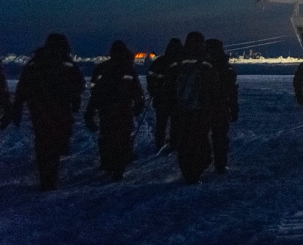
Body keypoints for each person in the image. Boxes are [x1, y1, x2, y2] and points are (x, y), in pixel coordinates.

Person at [1, 34, 85, 191]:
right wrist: (74, 99)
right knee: (56, 138)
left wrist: (17, 109)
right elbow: (79, 84)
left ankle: (46, 176)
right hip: (59, 109)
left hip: (40, 110)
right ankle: (50, 175)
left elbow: (22, 88)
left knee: (43, 141)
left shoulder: (35, 63)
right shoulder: (66, 63)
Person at [84, 40, 145, 181]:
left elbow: (94, 90)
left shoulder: (102, 68)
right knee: (124, 136)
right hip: (124, 109)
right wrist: (138, 106)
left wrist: (91, 111)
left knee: (106, 134)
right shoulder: (128, 69)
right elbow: (137, 90)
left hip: (105, 109)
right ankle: (119, 165)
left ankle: (107, 162)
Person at [170, 31, 218, 184]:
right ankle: (197, 168)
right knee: (200, 138)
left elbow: (168, 85)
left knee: (184, 140)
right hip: (201, 109)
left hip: (182, 109)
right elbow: (213, 86)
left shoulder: (177, 62)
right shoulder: (206, 63)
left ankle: (187, 170)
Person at [205, 38, 239, 174]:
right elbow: (232, 90)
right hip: (221, 106)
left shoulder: (201, 66)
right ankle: (220, 164)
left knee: (200, 135)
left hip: (202, 107)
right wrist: (234, 108)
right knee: (220, 137)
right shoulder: (227, 68)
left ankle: (202, 160)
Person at [146, 37, 183, 152]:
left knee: (161, 122)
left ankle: (159, 142)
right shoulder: (181, 63)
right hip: (176, 99)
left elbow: (150, 77)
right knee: (175, 123)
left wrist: (153, 90)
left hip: (160, 98)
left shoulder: (160, 61)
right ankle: (174, 143)